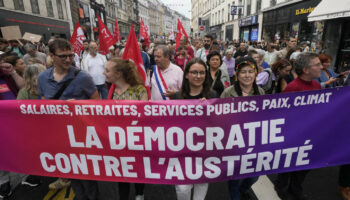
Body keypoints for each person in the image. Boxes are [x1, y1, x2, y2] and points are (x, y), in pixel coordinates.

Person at [37, 38, 99, 200]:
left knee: (87, 175)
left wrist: (79, 105)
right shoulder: (43, 77)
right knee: (71, 172)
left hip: (81, 135)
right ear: (51, 56)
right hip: (59, 135)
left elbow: (98, 105)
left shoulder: (83, 77)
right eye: (63, 56)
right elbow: (43, 105)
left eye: (70, 55)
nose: (68, 60)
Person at [275, 52, 322, 200]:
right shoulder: (293, 88)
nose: (321, 67)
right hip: (294, 136)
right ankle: (281, 189)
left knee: (304, 166)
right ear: (306, 70)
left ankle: (296, 189)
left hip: (311, 134)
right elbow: (283, 114)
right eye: (317, 64)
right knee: (289, 164)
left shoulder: (316, 85)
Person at [172, 58, 217, 200]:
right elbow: (167, 124)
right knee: (182, 188)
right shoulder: (176, 97)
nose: (198, 76)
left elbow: (220, 124)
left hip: (205, 151)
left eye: (202, 73)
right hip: (181, 152)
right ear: (186, 75)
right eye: (194, 72)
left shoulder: (213, 95)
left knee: (201, 184)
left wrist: (210, 109)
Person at [221, 57, 264, 200]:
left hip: (254, 144)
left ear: (255, 73)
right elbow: (218, 115)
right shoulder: (228, 92)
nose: (247, 75)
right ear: (237, 75)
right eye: (243, 72)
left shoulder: (261, 92)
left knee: (254, 177)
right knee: (234, 180)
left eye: (250, 71)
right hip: (234, 144)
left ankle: (243, 190)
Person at [104, 58, 147, 200]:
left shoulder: (139, 90)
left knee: (139, 169)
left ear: (118, 74)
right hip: (118, 141)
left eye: (107, 70)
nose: (104, 73)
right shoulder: (110, 91)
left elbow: (145, 115)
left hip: (136, 139)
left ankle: (139, 194)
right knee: (122, 171)